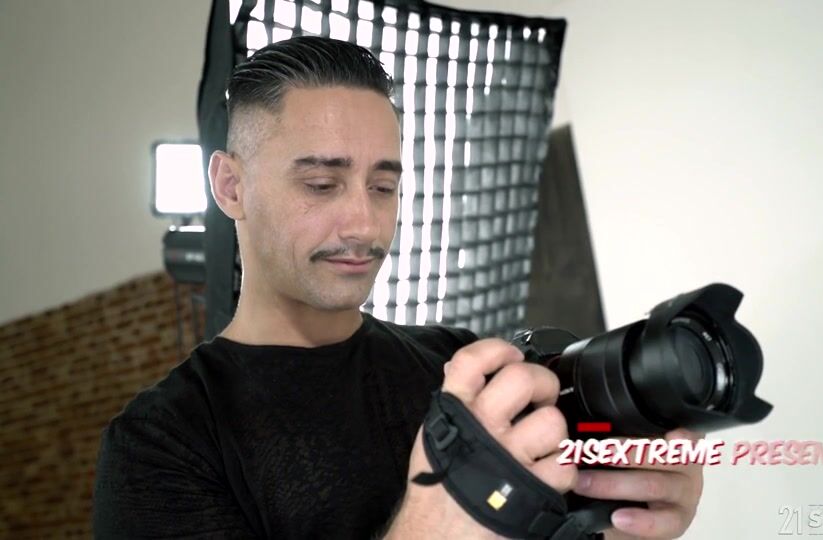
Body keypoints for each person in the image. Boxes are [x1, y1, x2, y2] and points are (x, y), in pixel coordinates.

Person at [93, 36, 704, 539]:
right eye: (321, 185)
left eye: (383, 187)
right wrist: (437, 524)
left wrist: (620, 522)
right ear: (231, 187)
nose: (364, 224)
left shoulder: (457, 364)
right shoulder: (163, 442)